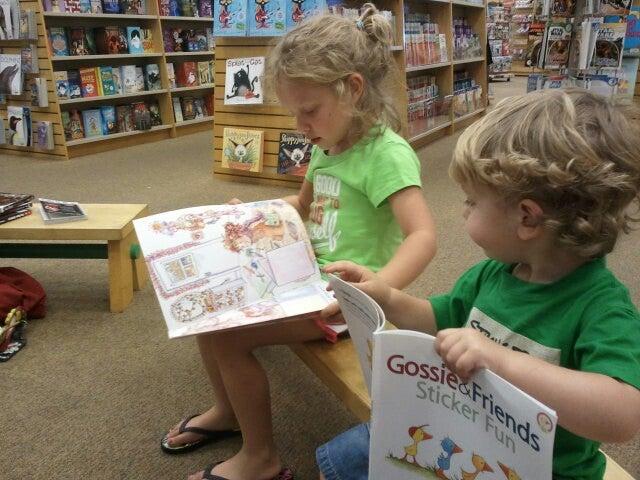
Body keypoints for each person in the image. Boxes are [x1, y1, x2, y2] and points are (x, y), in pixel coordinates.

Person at [161, 5, 438, 480]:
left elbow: (424, 235)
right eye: (294, 112)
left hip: (343, 299)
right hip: (305, 273)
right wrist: (251, 215)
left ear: (353, 88)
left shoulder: (386, 155)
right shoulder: (327, 145)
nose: (300, 124)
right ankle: (228, 412)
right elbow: (303, 205)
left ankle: (260, 459)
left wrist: (378, 289)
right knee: (209, 308)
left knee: (229, 338)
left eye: (309, 110)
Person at [317, 88, 640, 480]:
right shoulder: (493, 274)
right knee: (350, 454)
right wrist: (386, 296)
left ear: (527, 218)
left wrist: (500, 360)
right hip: (467, 434)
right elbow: (438, 318)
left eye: (471, 201)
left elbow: (622, 414)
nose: (462, 210)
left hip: (541, 471)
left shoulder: (602, 306)